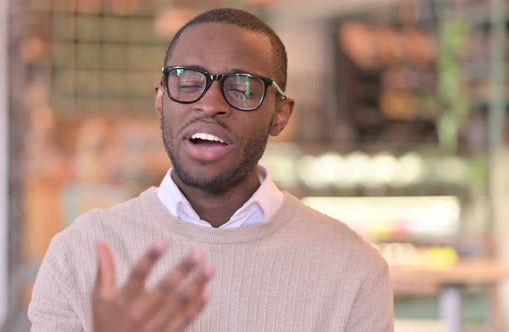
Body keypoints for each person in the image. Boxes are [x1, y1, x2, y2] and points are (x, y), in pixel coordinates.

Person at [28, 8, 394, 332]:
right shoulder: (82, 254)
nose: (210, 104)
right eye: (189, 82)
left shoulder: (352, 271)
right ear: (160, 99)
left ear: (280, 114)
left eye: (243, 88)